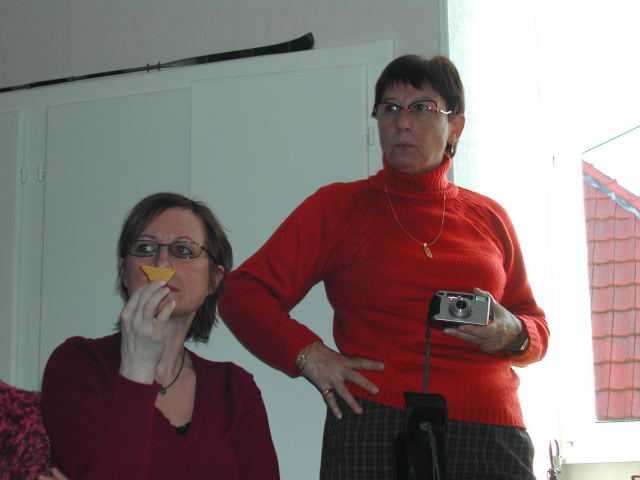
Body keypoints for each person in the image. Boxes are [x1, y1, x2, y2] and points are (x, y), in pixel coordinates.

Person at [218, 55, 549, 479]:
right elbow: (241, 293)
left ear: (455, 127)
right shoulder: (339, 207)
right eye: (390, 108)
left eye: (422, 108)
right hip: (374, 421)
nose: (402, 122)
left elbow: (536, 329)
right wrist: (309, 355)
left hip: (491, 432)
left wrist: (513, 333)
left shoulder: (490, 217)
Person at [41, 192, 279, 480]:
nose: (162, 265)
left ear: (214, 279)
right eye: (145, 248)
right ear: (124, 272)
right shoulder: (78, 364)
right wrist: (137, 369)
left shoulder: (235, 390)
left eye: (183, 250)